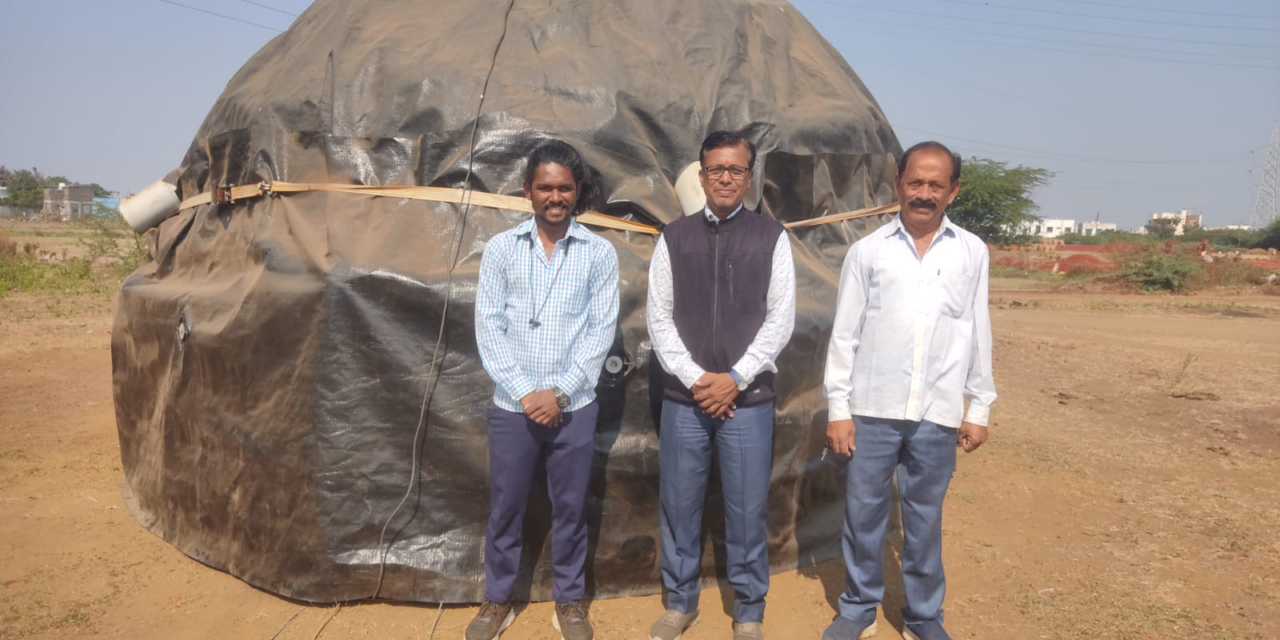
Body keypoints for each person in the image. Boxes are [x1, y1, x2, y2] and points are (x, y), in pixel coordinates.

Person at [820, 141, 997, 640]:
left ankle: (922, 616)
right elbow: (845, 334)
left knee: (923, 518)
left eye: (936, 185)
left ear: (953, 191)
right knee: (863, 515)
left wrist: (979, 406)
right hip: (871, 408)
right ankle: (858, 608)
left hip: (936, 411)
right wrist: (838, 408)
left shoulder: (971, 252)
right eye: (915, 182)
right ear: (897, 184)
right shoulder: (868, 251)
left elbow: (977, 330)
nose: (924, 194)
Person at [646, 130, 796, 640]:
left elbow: (780, 318)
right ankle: (680, 603)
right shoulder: (674, 237)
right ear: (702, 174)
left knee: (747, 509)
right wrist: (698, 380)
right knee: (679, 505)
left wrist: (734, 378)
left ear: (749, 177)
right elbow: (659, 318)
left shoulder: (771, 238)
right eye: (716, 169)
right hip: (684, 400)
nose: (725, 178)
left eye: (735, 169)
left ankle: (749, 610)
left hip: (747, 401)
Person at [469, 139, 620, 640]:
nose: (555, 197)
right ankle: (497, 599)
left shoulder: (599, 253)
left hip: (574, 407)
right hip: (512, 407)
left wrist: (560, 393)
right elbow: (488, 326)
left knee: (571, 508)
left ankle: (570, 601)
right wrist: (526, 392)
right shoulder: (501, 249)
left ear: (577, 192)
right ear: (527, 190)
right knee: (506, 506)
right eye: (545, 188)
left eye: (565, 188)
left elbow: (601, 330)